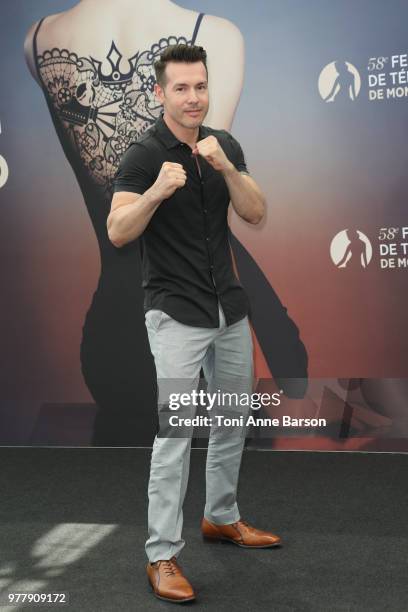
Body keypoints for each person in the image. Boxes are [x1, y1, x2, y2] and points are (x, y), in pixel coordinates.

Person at [108, 43, 282, 604]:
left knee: (232, 419)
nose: (193, 97)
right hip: (175, 314)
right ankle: (161, 554)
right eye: (180, 88)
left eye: (200, 86)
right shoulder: (142, 154)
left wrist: (226, 166)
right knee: (175, 435)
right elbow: (117, 231)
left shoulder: (222, 145)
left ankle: (221, 517)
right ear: (160, 93)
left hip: (227, 309)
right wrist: (157, 190)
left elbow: (255, 212)